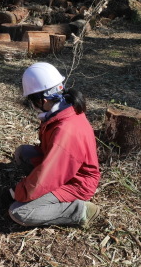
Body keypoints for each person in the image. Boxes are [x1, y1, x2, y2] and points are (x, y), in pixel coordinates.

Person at [8, 62, 101, 228]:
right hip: (66, 168)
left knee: (18, 211)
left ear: (42, 100)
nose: (32, 105)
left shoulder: (65, 130)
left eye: (31, 100)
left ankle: (80, 211)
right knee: (23, 153)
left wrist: (21, 191)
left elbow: (51, 173)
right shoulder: (62, 110)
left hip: (77, 182)